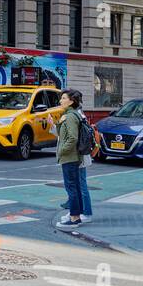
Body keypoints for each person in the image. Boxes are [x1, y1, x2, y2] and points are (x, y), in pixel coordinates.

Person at [55, 88, 88, 230]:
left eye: (63, 98)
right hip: (73, 157)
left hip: (69, 157)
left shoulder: (70, 116)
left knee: (72, 188)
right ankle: (77, 216)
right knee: (75, 187)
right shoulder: (70, 115)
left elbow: (72, 138)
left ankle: (74, 218)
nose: (60, 101)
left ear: (71, 101)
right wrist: (58, 123)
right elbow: (63, 134)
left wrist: (61, 151)